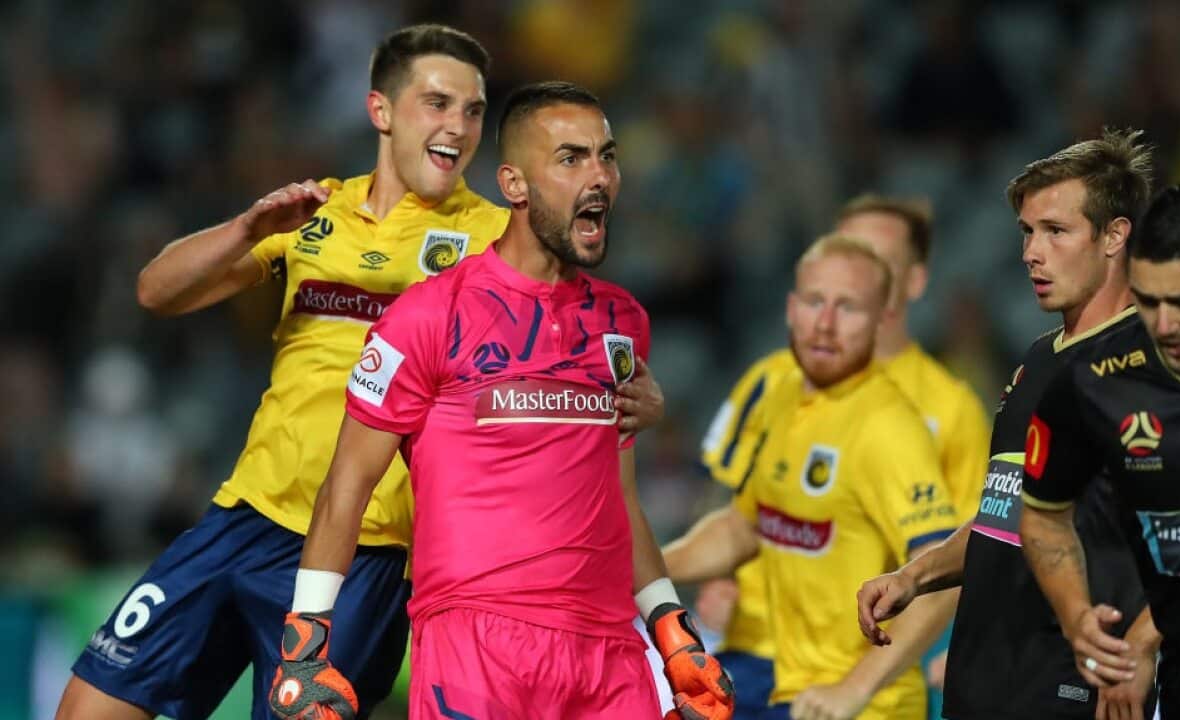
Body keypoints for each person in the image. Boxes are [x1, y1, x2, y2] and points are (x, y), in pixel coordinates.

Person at [56, 25, 663, 720]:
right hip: (247, 515)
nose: (458, 127)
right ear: (380, 111)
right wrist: (247, 231)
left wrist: (635, 392)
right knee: (87, 709)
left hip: (370, 555)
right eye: (437, 104)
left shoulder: (500, 234)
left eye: (472, 110)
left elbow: (583, 333)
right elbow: (156, 292)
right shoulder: (316, 214)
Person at [266, 81, 732, 720]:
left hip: (608, 653)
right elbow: (347, 483)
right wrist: (305, 646)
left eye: (607, 156)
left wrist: (672, 630)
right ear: (514, 185)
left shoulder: (622, 322)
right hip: (476, 646)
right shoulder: (429, 315)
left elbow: (619, 496)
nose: (599, 176)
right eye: (570, 159)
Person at [857, 129, 1158, 720]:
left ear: (1114, 235)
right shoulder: (1037, 360)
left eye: (1055, 231)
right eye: (1027, 232)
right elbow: (1005, 518)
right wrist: (915, 576)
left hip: (1072, 690)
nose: (1031, 253)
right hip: (979, 681)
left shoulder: (1153, 368)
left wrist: (1145, 645)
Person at [696, 195, 990, 717]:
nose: (854, 267)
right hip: (754, 653)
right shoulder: (776, 378)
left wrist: (941, 655)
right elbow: (740, 509)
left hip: (854, 674)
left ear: (910, 284)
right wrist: (716, 576)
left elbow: (959, 555)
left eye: (873, 258)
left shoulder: (943, 410)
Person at [1021, 184, 1180, 720]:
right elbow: (1044, 518)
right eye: (1148, 301)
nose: (1164, 326)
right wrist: (1077, 618)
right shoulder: (1093, 384)